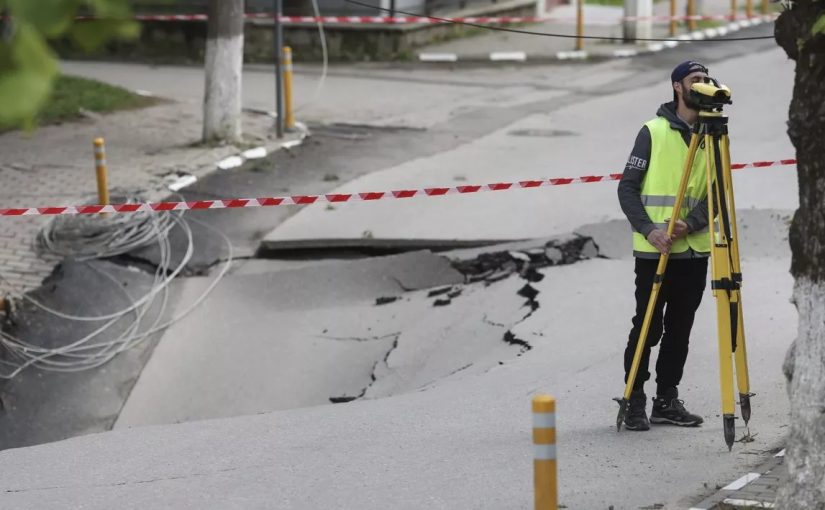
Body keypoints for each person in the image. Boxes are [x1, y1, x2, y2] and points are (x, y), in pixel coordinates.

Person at [616, 61, 713, 431]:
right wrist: (649, 229)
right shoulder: (652, 132)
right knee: (647, 327)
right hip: (655, 249)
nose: (702, 85)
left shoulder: (713, 134)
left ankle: (666, 399)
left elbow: (719, 193)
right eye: (695, 80)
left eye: (706, 80)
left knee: (680, 329)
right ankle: (634, 399)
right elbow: (627, 188)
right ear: (677, 87)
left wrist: (692, 223)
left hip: (694, 249)